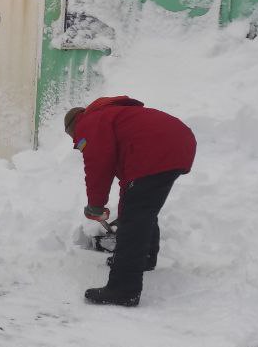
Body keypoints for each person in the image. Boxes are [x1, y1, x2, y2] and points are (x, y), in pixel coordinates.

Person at [65, 97, 197, 307]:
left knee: (135, 218)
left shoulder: (88, 124)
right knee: (141, 210)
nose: (76, 140)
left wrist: (95, 205)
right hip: (177, 143)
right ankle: (144, 258)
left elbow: (98, 165)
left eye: (72, 136)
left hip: (157, 150)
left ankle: (123, 289)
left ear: (73, 127)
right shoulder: (110, 116)